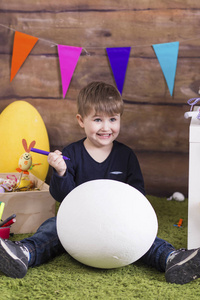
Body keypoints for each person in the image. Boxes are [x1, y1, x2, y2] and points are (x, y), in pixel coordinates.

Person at [0, 81, 200, 285]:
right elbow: (62, 197)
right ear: (81, 120)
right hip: (79, 223)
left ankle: (171, 259)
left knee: (143, 236)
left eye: (113, 119)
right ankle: (24, 253)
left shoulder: (126, 156)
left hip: (119, 224)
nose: (106, 127)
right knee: (53, 226)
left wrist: (130, 220)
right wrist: (60, 172)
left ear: (120, 118)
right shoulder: (70, 154)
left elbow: (137, 196)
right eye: (97, 119)